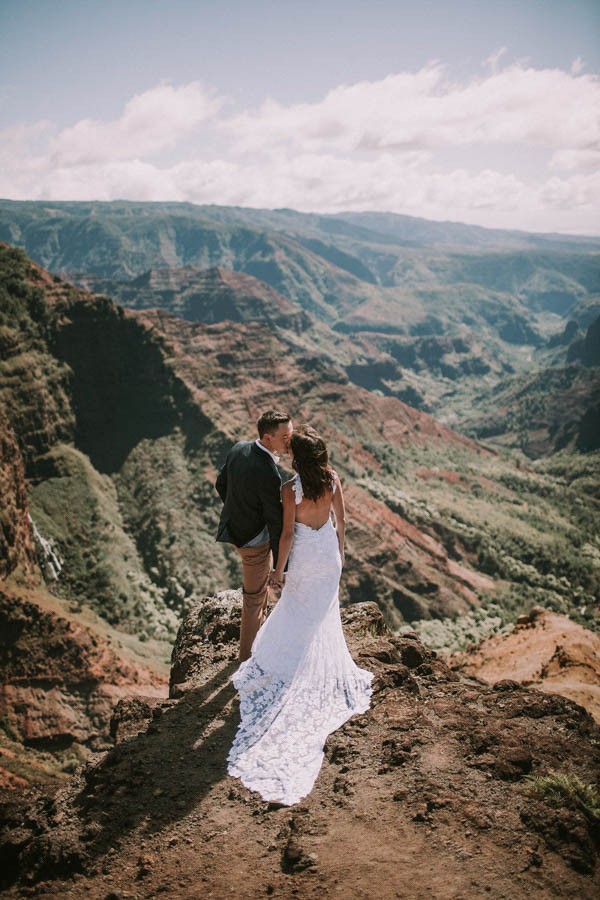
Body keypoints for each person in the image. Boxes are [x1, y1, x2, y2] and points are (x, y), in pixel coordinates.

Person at [227, 425, 373, 806]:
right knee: (322, 617)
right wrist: (338, 554)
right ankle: (311, 664)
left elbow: (288, 535)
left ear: (297, 459)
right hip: (328, 558)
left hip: (306, 558)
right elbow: (341, 522)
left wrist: (278, 571)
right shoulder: (334, 480)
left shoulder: (289, 490)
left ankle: (288, 667)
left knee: (295, 612)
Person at [216, 410, 293, 662]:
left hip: (235, 529)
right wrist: (282, 566)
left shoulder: (239, 448)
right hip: (254, 542)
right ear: (268, 438)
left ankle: (258, 646)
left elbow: (221, 483)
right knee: (253, 598)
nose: (289, 440)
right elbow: (274, 521)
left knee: (257, 593)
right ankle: (247, 659)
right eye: (285, 436)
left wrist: (238, 510)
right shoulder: (269, 472)